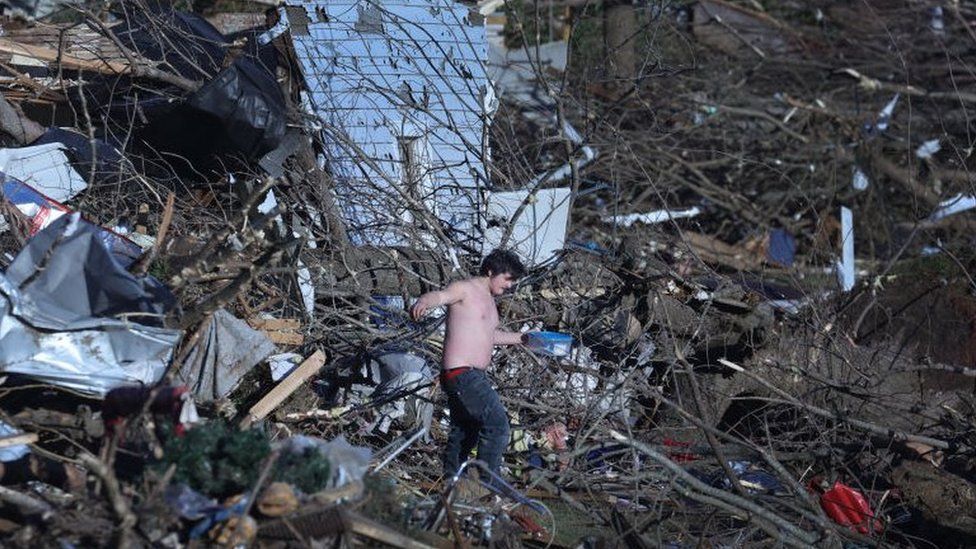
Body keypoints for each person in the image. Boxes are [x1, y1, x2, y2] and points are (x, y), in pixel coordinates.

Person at [411, 249, 530, 482]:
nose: (511, 285)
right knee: (497, 425)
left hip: (473, 375)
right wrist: (424, 301)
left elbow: (490, 335)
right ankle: (485, 485)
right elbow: (440, 296)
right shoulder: (465, 288)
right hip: (462, 373)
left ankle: (452, 486)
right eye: (507, 278)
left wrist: (522, 339)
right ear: (490, 271)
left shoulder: (490, 301)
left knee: (464, 432)